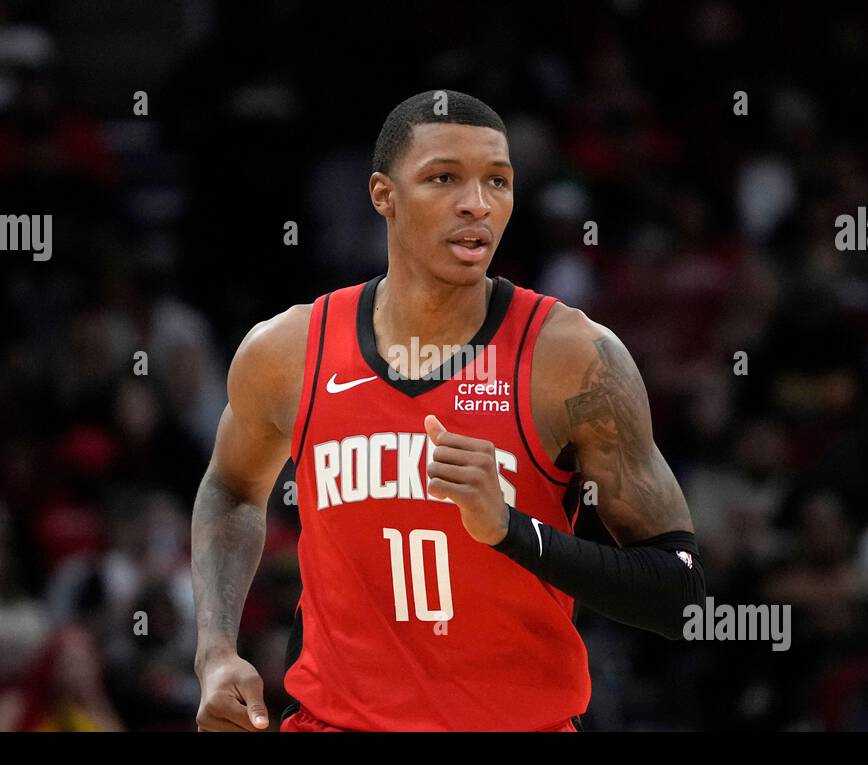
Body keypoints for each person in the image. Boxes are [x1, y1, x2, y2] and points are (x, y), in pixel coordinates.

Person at [192, 90, 704, 732]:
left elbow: (679, 594)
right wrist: (215, 651)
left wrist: (511, 529)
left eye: (499, 181)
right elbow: (231, 490)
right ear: (383, 195)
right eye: (444, 178)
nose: (477, 204)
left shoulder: (574, 360)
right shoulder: (288, 351)